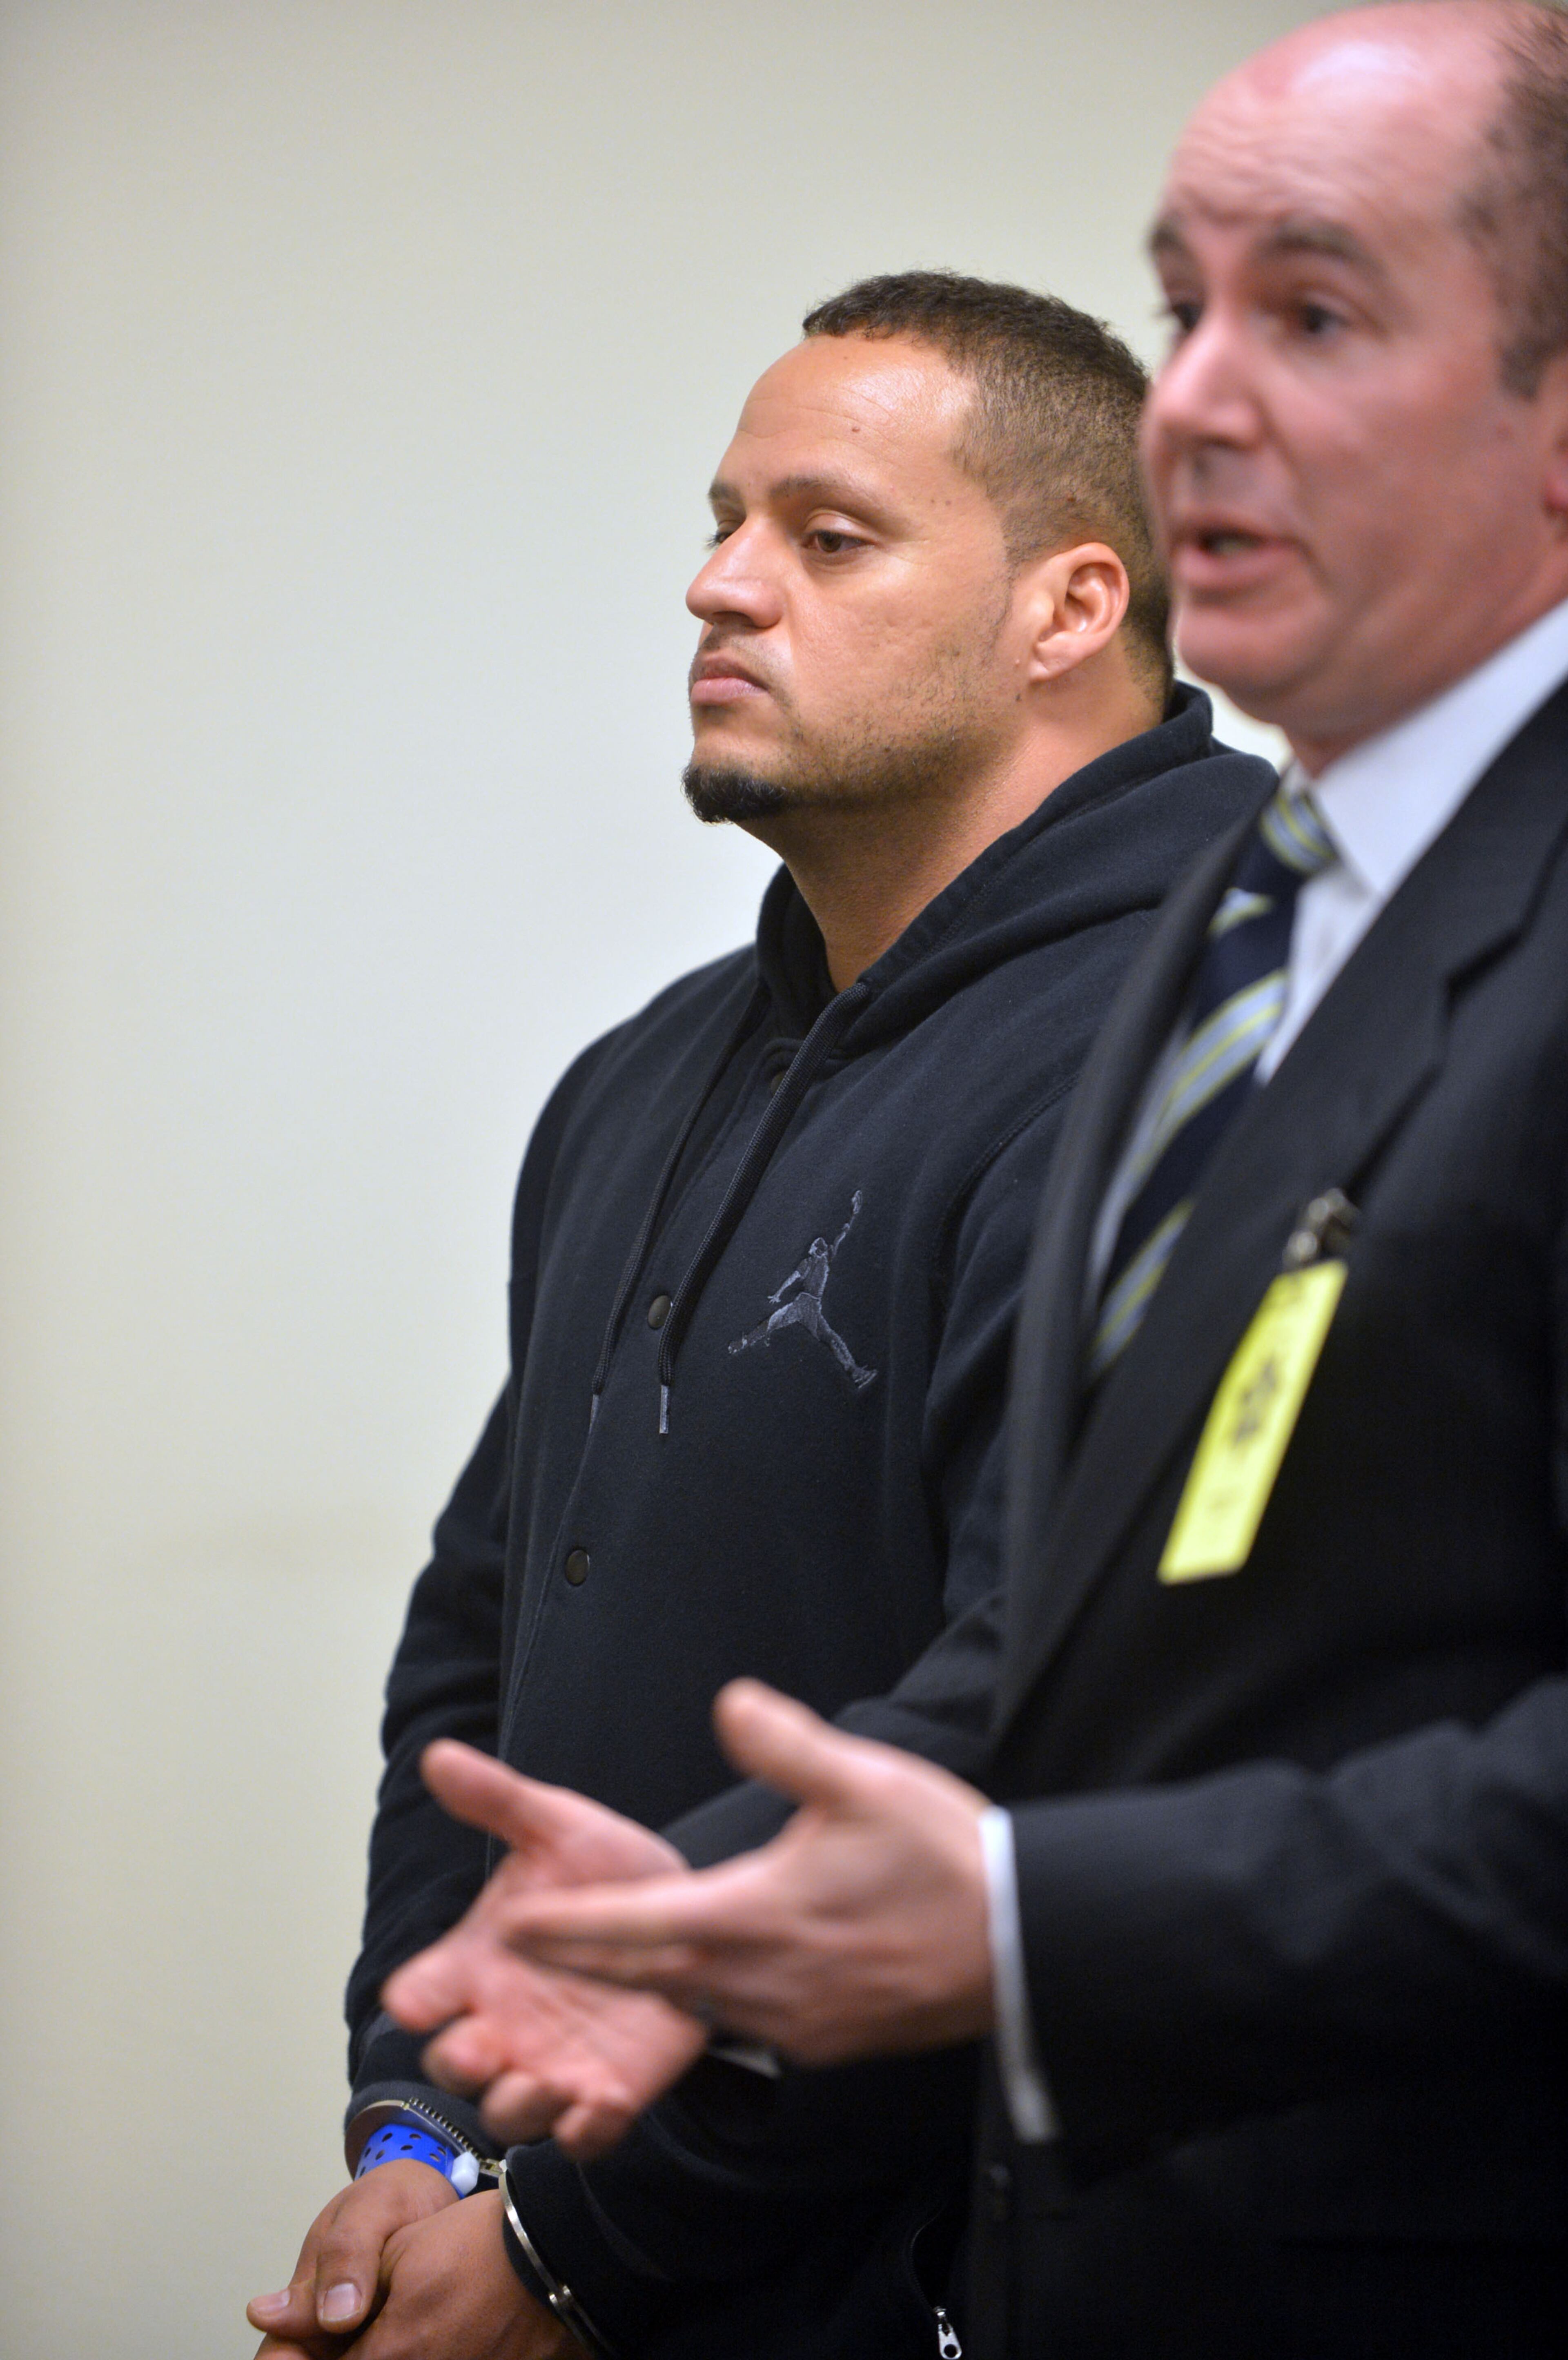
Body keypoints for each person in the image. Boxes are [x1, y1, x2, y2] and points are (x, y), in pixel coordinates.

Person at [397, 7, 1568, 2353]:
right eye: (1191, 307)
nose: (1208, 402)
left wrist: (585, 2223)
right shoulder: (1207, 962)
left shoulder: (1221, 972)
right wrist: (509, 2084)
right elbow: (531, 1645)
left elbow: (1112, 1739)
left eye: (1316, 315)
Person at [247, 271, 1269, 2360]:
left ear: (1074, 605)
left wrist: (572, 2248)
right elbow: (482, 1644)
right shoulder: (639, 1074)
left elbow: (1049, 1751)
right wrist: (433, 2133)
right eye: (723, 519)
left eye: (829, 534)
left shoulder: (1241, 1029)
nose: (718, 585)